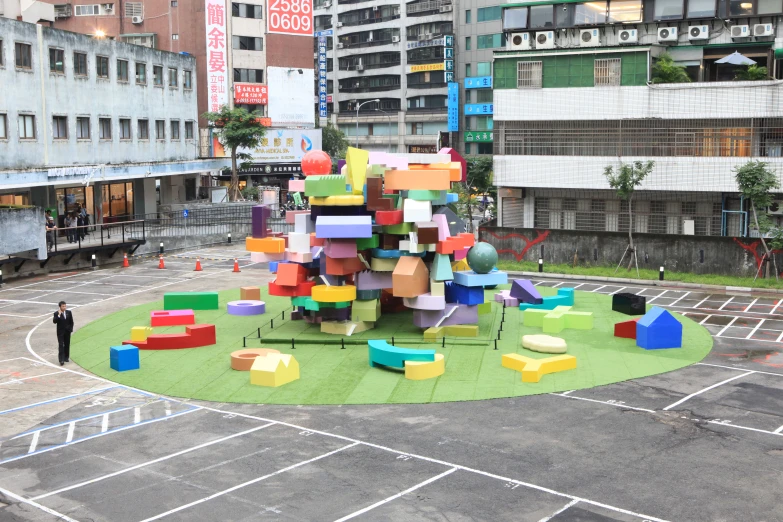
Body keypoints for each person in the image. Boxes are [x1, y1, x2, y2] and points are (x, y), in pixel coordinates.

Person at [53, 301, 74, 366]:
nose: (64, 307)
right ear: (60, 307)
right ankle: (61, 359)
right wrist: (59, 315)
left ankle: (66, 357)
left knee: (67, 344)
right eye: (63, 306)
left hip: (67, 331)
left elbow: (71, 322)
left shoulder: (69, 312)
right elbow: (54, 321)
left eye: (65, 306)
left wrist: (70, 329)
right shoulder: (56, 313)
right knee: (61, 345)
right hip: (60, 332)